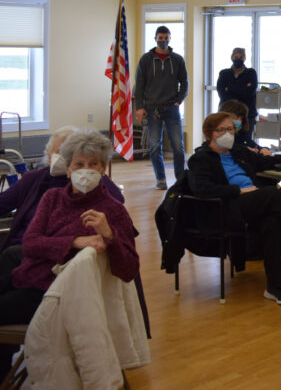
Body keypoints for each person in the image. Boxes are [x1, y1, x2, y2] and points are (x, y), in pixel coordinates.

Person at [0, 129, 139, 377]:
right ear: (68, 170)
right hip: (29, 278)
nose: (85, 170)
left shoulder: (113, 211)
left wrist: (110, 236)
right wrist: (74, 241)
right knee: (11, 259)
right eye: (79, 164)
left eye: (93, 164)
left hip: (57, 297)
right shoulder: (52, 198)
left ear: (103, 170)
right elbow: (31, 244)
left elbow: (129, 270)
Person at [187, 112, 281, 306]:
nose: (227, 133)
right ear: (209, 133)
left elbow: (265, 162)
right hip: (225, 209)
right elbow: (203, 189)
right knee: (270, 193)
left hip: (249, 205)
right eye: (221, 130)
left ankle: (275, 287)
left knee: (274, 222)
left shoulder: (238, 151)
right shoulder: (200, 159)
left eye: (230, 129)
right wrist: (239, 191)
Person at [0, 126, 123, 253]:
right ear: (49, 156)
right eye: (61, 152)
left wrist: (98, 176)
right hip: (26, 248)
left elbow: (117, 202)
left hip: (71, 253)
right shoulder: (34, 179)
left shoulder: (90, 182)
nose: (66, 157)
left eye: (72, 154)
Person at [132, 25, 188, 190]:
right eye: (160, 38)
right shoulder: (146, 59)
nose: (163, 41)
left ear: (170, 38)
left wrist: (179, 100)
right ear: (155, 38)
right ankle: (161, 179)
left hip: (172, 108)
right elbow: (140, 85)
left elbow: (185, 82)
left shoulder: (177, 59)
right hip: (152, 109)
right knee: (155, 146)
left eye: (166, 38)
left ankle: (179, 180)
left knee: (178, 147)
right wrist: (140, 107)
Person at [216, 47, 258, 132]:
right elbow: (222, 94)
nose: (238, 59)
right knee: (227, 141)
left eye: (240, 57)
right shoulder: (224, 73)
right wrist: (243, 88)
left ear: (244, 59)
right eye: (236, 57)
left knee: (245, 142)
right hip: (226, 114)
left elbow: (249, 93)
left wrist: (230, 89)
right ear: (232, 58)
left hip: (247, 115)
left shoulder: (251, 73)